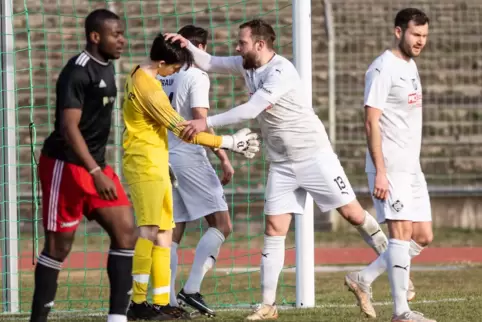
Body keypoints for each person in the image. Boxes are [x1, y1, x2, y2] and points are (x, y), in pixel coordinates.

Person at [164, 19, 389, 321]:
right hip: (281, 163)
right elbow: (209, 61)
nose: (236, 47)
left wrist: (207, 122)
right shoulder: (246, 64)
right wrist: (185, 44)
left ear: (259, 44)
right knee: (273, 230)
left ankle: (396, 265)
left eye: (241, 42)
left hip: (314, 156)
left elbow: (251, 109)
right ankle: (268, 305)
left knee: (353, 215)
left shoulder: (281, 71)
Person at [122, 33, 260, 320]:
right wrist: (229, 143)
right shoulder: (151, 90)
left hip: (160, 162)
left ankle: (162, 302)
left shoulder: (138, 72)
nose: (175, 72)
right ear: (162, 62)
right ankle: (138, 303)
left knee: (164, 234)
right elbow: (186, 129)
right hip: (146, 164)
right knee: (150, 232)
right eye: (173, 67)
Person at [29, 9, 135, 322]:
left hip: (95, 167)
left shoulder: (107, 68)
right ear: (95, 36)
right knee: (59, 248)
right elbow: (69, 128)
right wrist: (93, 171)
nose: (122, 40)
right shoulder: (77, 71)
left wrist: (98, 169)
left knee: (126, 231)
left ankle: (117, 319)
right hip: (66, 166)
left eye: (122, 33)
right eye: (116, 34)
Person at [344, 8, 435, 322]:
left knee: (422, 235)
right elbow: (371, 122)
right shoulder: (382, 68)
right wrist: (380, 170)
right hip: (390, 166)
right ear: (399, 32)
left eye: (424, 35)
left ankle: (364, 278)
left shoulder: (409, 65)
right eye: (415, 35)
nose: (420, 41)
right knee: (399, 234)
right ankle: (401, 312)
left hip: (412, 167)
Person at [157, 25, 234, 318]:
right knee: (222, 224)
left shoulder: (165, 74)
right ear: (199, 47)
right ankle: (191, 290)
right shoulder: (196, 75)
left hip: (164, 156)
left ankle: (168, 302)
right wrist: (224, 156)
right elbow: (200, 119)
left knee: (173, 231)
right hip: (188, 156)